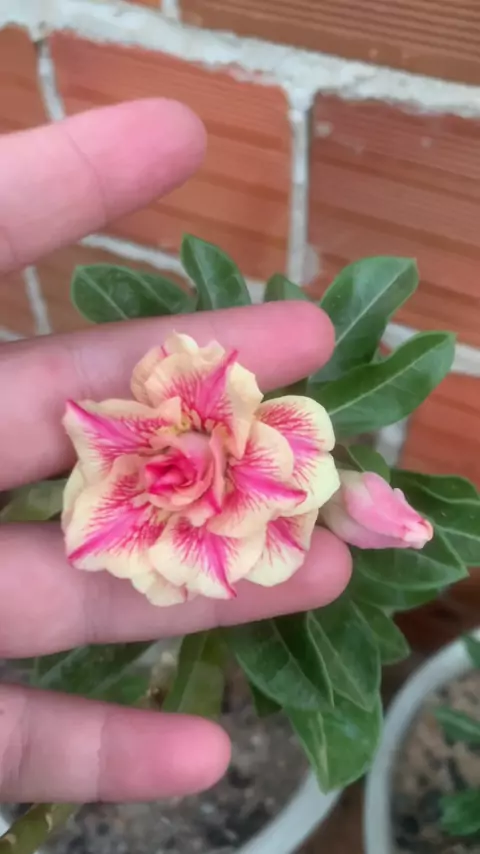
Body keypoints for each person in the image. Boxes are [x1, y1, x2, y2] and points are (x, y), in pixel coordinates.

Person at [0, 99, 351, 803]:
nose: (179, 478)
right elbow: (103, 465)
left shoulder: (244, 432)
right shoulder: (141, 439)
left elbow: (267, 480)